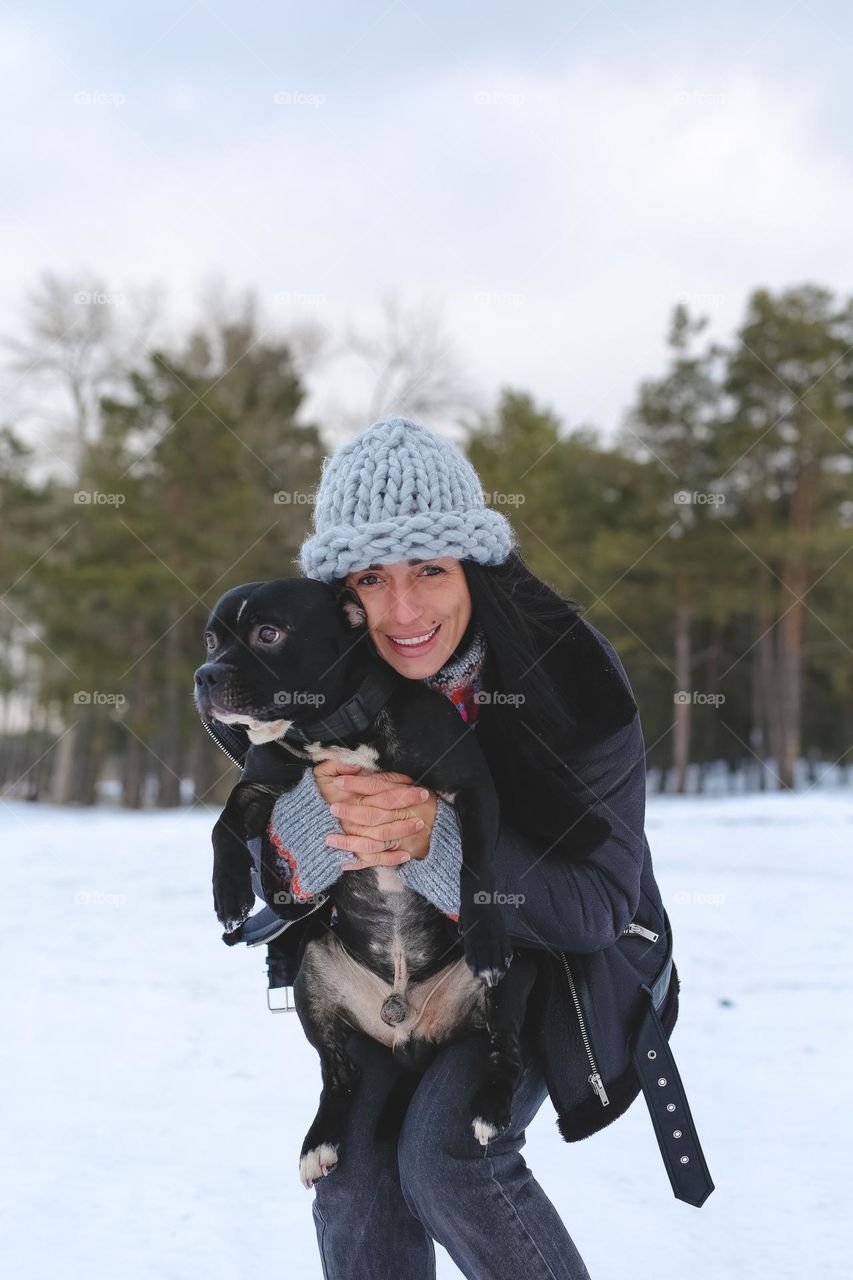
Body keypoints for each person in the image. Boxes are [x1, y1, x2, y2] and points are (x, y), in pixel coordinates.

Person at [208, 417, 684, 1280]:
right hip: (384, 972)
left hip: (547, 966)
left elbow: (601, 907)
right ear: (339, 599)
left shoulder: (571, 676)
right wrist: (317, 819)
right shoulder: (308, 686)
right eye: (372, 579)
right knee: (353, 1176)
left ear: (474, 568)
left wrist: (436, 841)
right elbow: (264, 880)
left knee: (446, 1162)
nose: (403, 611)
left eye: (430, 570)